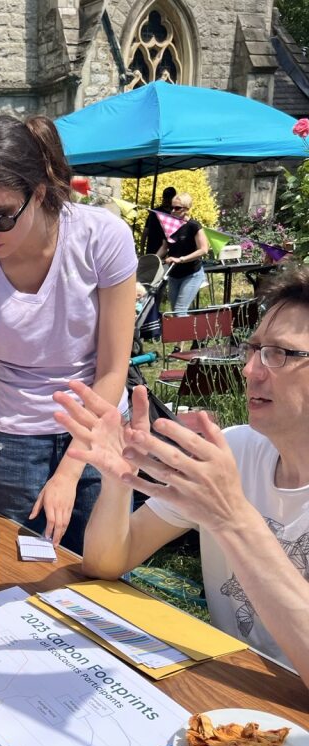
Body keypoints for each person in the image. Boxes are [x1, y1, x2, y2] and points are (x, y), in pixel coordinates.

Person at [53, 266, 309, 681]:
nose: (250, 371)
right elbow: (106, 564)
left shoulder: (225, 466)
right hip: (230, 694)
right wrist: (121, 482)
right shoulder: (236, 450)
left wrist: (232, 518)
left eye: (279, 353)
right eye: (254, 349)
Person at [0, 113, 136, 554]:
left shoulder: (102, 238)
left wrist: (69, 472)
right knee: (23, 575)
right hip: (15, 438)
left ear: (38, 193)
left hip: (97, 428)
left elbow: (113, 368)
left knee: (105, 570)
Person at [158, 191, 210, 313]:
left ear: (186, 209)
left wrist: (180, 259)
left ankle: (185, 332)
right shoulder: (169, 225)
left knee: (179, 310)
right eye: (172, 207)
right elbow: (164, 247)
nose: (173, 210)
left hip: (192, 274)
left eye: (177, 208)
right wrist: (153, 260)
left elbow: (203, 249)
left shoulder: (193, 226)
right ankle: (183, 332)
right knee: (174, 311)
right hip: (174, 274)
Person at [140, 185, 176, 255]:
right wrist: (141, 252)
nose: (167, 200)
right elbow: (145, 232)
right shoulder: (154, 213)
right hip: (152, 251)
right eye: (166, 197)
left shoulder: (174, 214)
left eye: (169, 198)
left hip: (168, 254)